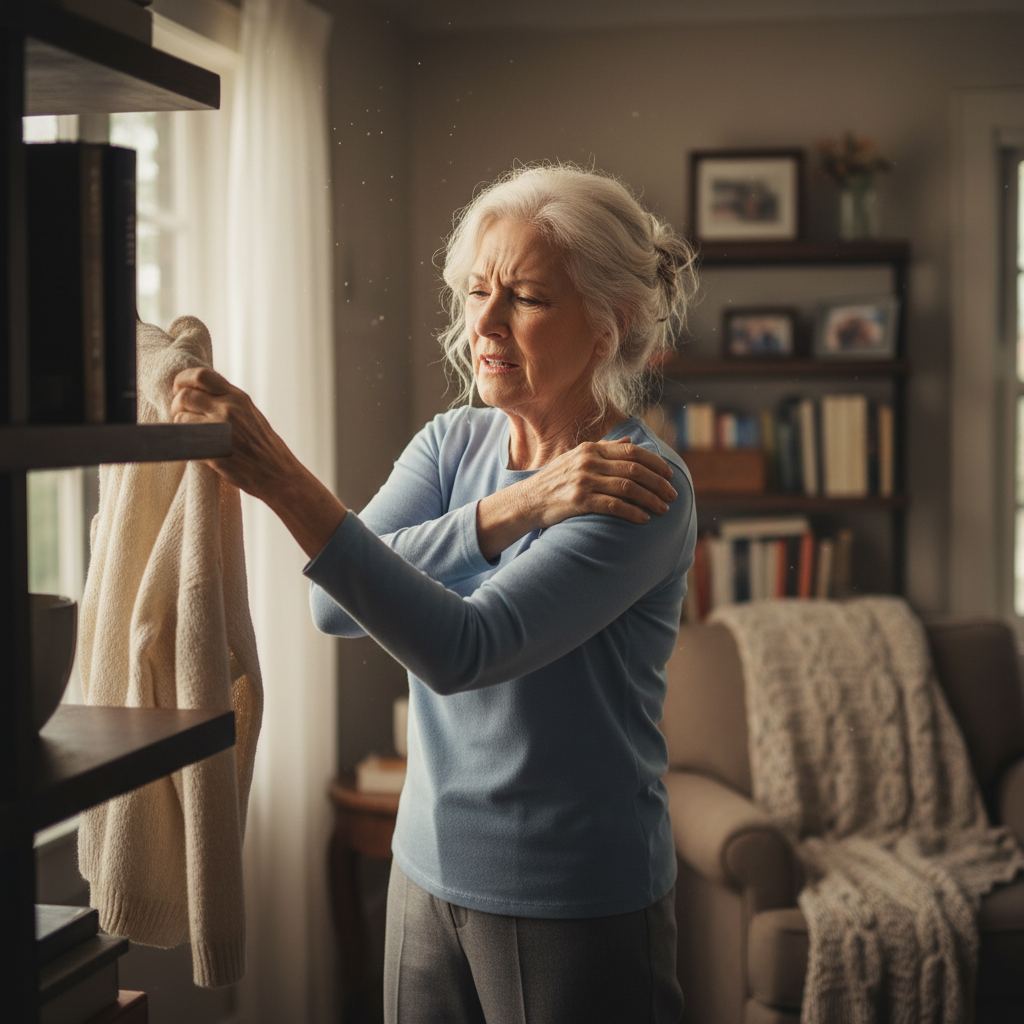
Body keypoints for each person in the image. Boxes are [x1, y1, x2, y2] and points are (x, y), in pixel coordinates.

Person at [172, 163, 698, 1024]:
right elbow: (334, 605)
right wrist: (511, 507)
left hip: (575, 894)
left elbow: (466, 649)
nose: (484, 323)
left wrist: (283, 480)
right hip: (423, 872)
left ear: (612, 324)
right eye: (477, 291)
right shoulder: (452, 445)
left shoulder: (639, 484)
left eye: (525, 297)